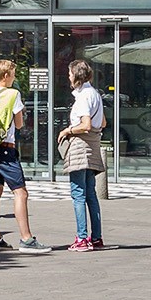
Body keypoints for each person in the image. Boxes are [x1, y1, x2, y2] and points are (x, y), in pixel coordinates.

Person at [0, 59, 46, 253]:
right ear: (6, 76)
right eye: (14, 74)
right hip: (6, 149)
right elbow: (18, 125)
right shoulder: (13, 94)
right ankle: (26, 238)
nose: (15, 77)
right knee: (20, 192)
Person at [59, 60, 106, 251]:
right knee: (91, 195)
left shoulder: (83, 97)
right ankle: (96, 237)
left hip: (80, 147)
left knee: (78, 194)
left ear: (76, 75)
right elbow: (102, 122)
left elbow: (86, 124)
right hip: (93, 145)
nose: (68, 76)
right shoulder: (95, 94)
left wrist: (68, 130)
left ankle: (82, 239)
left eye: (70, 73)